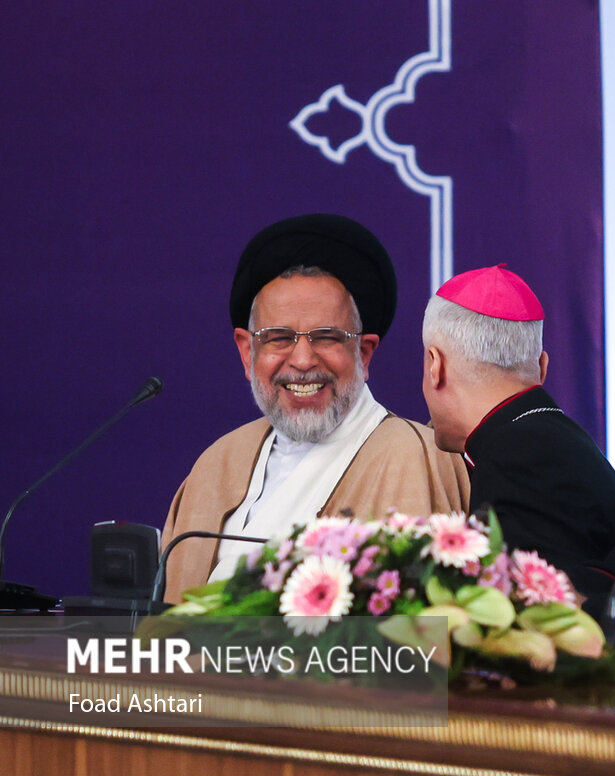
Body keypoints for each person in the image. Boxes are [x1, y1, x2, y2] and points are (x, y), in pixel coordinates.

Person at [162, 214, 469, 601]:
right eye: (279, 338)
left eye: (327, 337)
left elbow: (417, 640)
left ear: (364, 352)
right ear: (246, 352)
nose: (303, 360)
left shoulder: (416, 457)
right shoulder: (217, 464)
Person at [421, 264, 615, 593]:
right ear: (542, 367)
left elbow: (531, 624)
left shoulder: (515, 460)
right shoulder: (546, 438)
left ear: (435, 366)